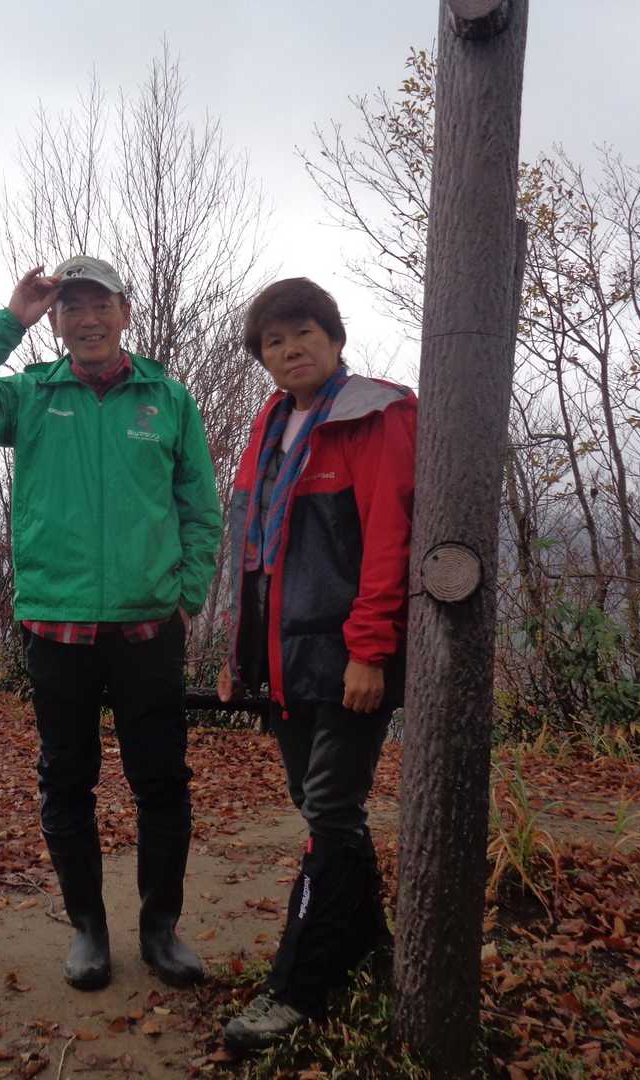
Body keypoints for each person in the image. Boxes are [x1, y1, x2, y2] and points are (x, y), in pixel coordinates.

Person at [0, 256, 222, 991]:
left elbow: (200, 506)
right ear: (57, 323)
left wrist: (185, 592)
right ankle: (88, 929)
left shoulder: (168, 398)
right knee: (67, 782)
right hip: (56, 626)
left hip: (149, 629)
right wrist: (12, 319)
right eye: (73, 308)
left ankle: (160, 930)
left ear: (125, 312)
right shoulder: (30, 396)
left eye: (101, 305)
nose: (88, 320)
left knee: (162, 783)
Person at [217, 277, 416, 1051]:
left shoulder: (376, 414)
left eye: (304, 332)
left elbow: (390, 539)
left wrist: (370, 651)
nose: (290, 348)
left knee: (329, 809)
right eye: (274, 340)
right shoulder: (270, 426)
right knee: (322, 806)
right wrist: (238, 653)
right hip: (283, 657)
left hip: (349, 658)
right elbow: (250, 553)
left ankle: (297, 986)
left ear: (334, 338)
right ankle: (366, 941)